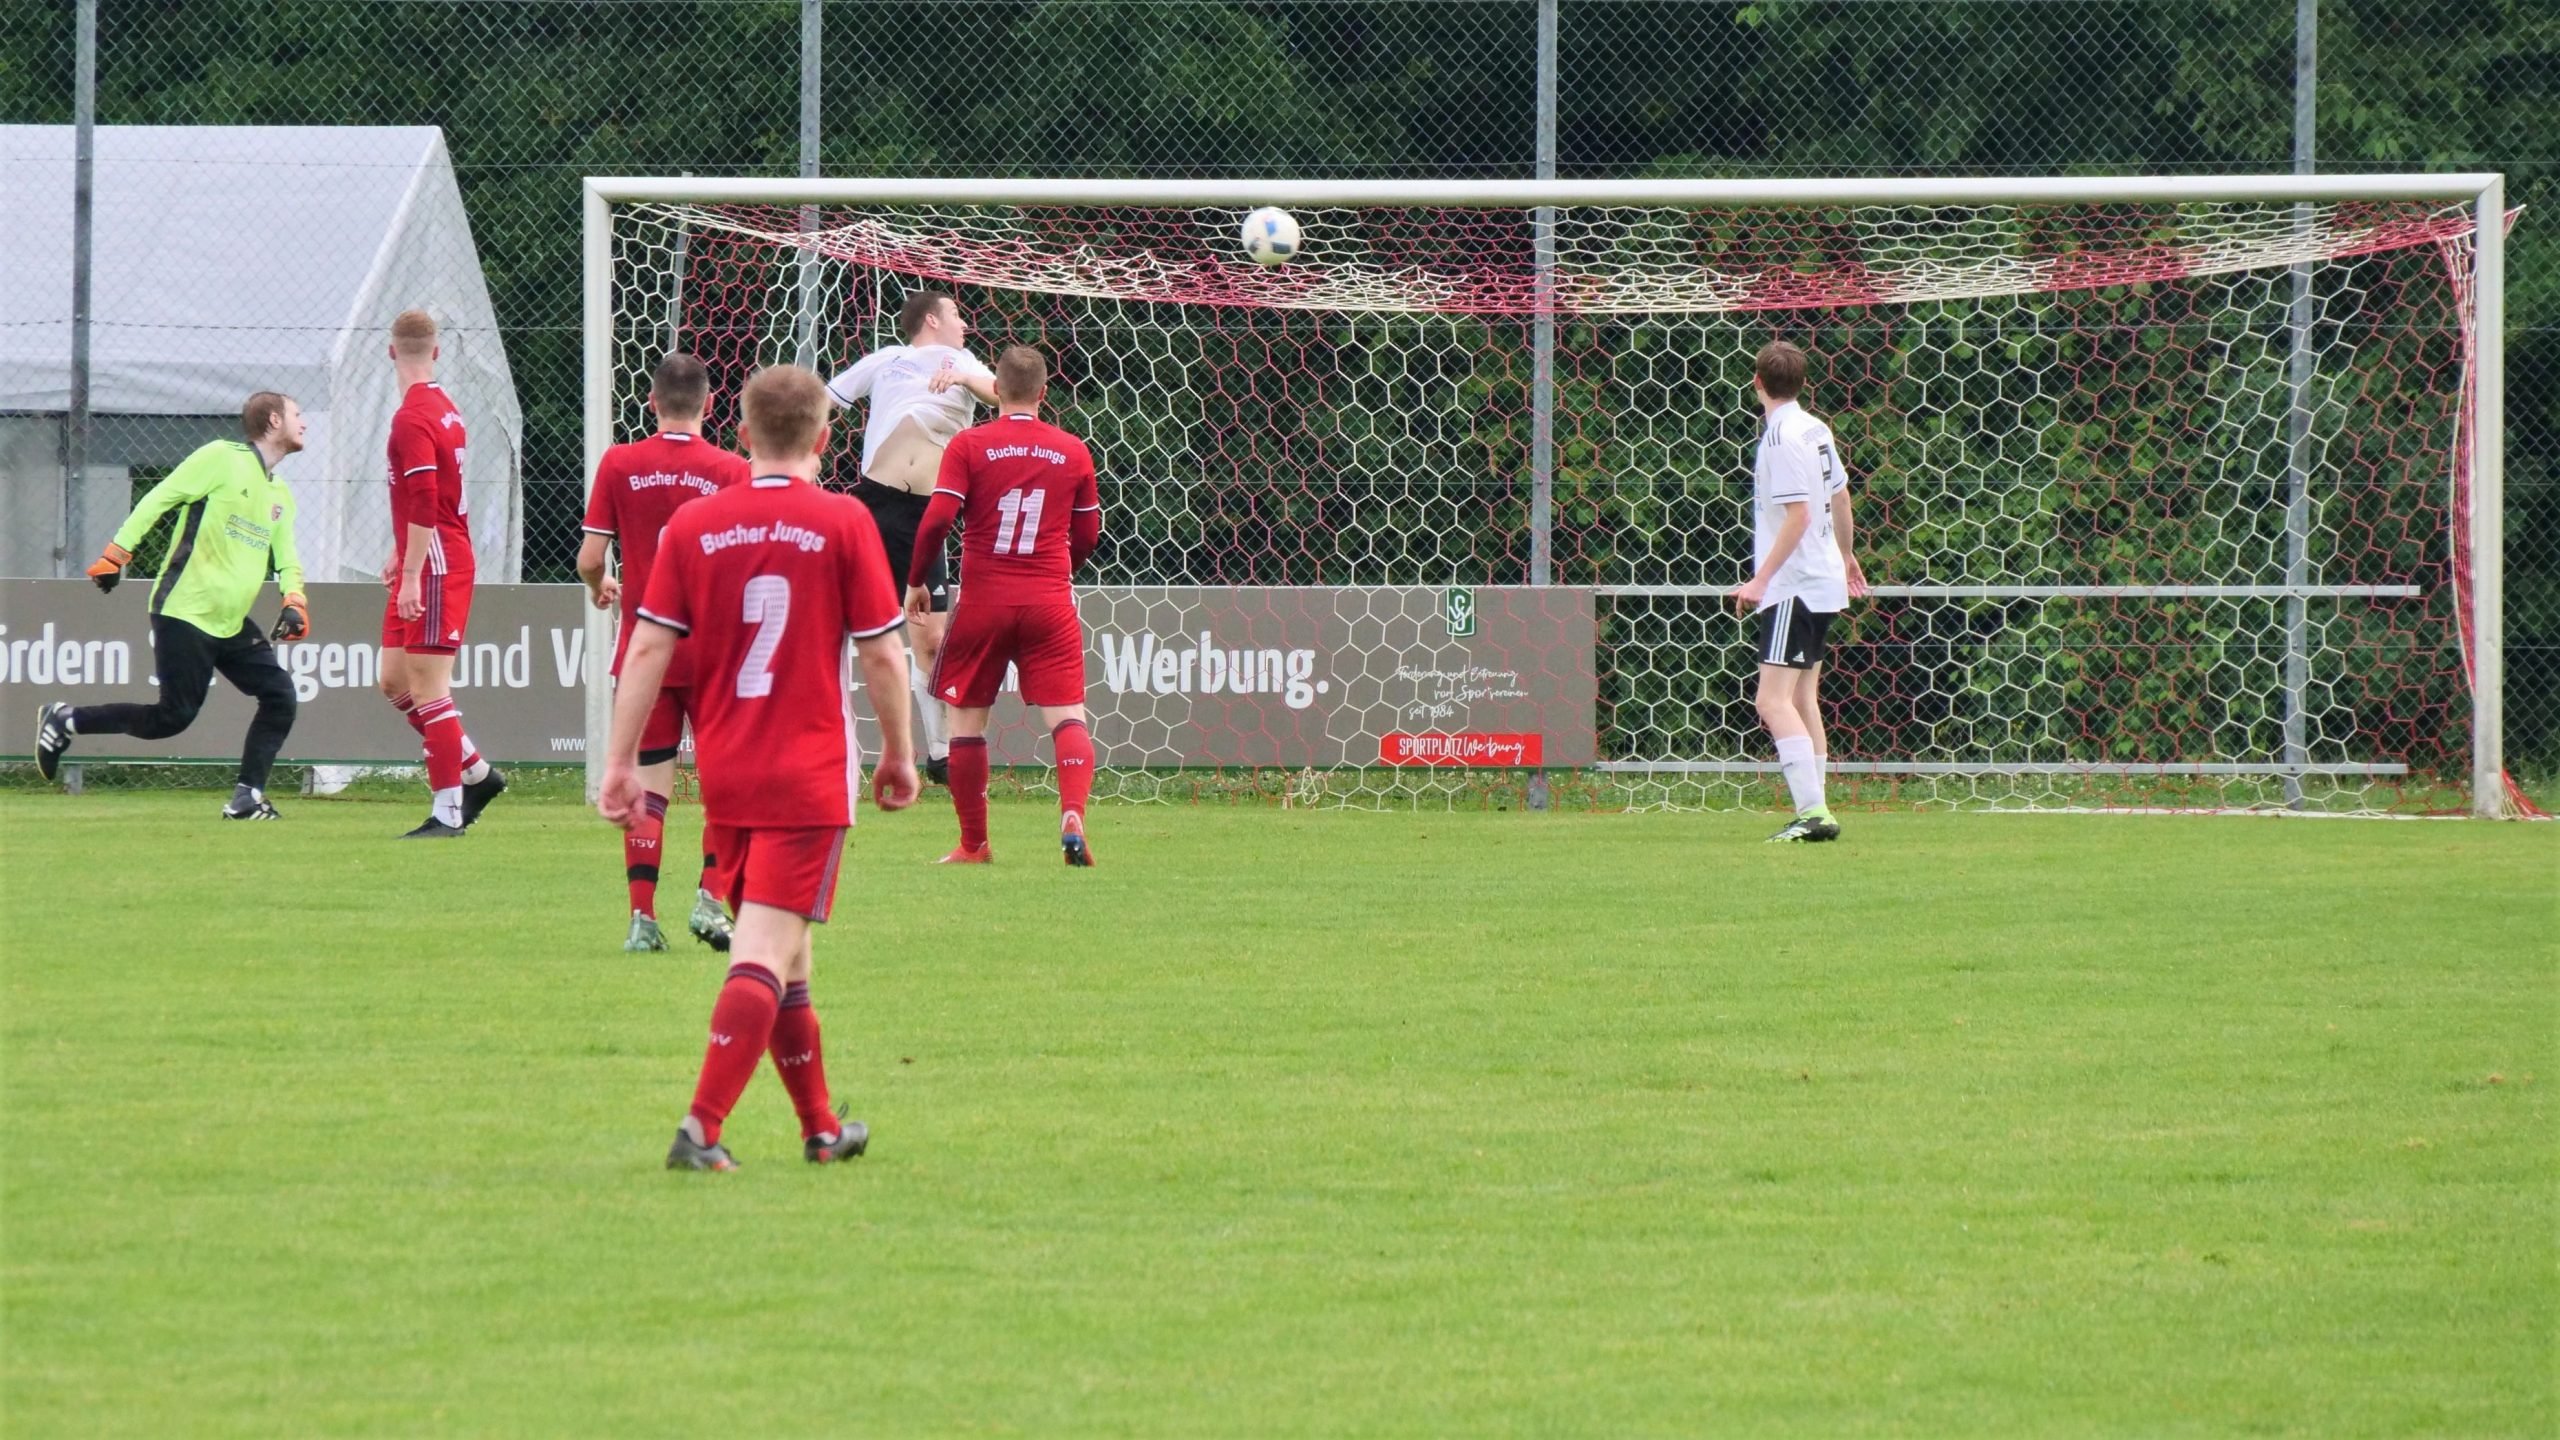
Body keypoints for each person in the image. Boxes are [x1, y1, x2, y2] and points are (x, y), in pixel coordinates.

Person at [597, 363, 920, 1172]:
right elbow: (884, 654)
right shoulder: (843, 520)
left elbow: (647, 646)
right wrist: (900, 753)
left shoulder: (695, 526)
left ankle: (820, 1128)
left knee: (788, 956)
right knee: (765, 952)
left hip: (728, 775)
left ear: (741, 434)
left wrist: (620, 760)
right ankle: (701, 1129)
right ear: (824, 439)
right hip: (806, 774)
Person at [34, 392, 312, 820]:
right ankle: (66, 719)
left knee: (280, 696)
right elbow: (159, 497)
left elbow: (287, 557)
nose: (304, 423)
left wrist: (294, 600)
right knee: (171, 718)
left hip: (230, 623)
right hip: (185, 610)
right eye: (297, 414)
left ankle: (246, 797)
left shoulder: (280, 493)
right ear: (274, 420)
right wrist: (116, 553)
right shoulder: (221, 457)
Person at [576, 353, 753, 953]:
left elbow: (590, 557)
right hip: (712, 653)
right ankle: (709, 900)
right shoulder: (730, 469)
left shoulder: (620, 462)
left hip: (644, 651)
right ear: (710, 405)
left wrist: (598, 584)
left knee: (648, 785)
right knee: (725, 782)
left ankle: (642, 919)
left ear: (651, 402)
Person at [907, 344, 1103, 866]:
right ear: (1043, 393)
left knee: (965, 723)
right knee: (1068, 718)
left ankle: (974, 844)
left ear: (996, 389)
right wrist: (1061, 570)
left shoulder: (970, 445)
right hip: (1048, 602)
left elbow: (937, 519)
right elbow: (1088, 533)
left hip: (984, 601)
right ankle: (1072, 813)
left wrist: (916, 580)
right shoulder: (1073, 450)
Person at [824, 288, 999, 786]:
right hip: (873, 505)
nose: (965, 323)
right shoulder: (888, 359)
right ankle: (828, 748)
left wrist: (962, 377)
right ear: (931, 320)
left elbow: (1004, 393)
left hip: (927, 514)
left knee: (932, 639)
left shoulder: (966, 363)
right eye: (957, 314)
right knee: (834, 625)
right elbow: (826, 399)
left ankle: (941, 756)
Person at [375, 309, 505, 838]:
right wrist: (399, 550)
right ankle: (476, 773)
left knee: (430, 688)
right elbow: (428, 495)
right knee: (393, 680)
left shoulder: (412, 417)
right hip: (423, 554)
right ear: (437, 351)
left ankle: (448, 811)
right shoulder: (445, 408)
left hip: (436, 562)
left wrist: (411, 573)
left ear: (391, 352)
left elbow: (429, 499)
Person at [1732, 340, 1868, 844]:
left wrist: (1761, 579)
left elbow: (1800, 516)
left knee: (1771, 701)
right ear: (1803, 383)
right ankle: (1819, 807)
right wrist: (1846, 555)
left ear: (1757, 383)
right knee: (1802, 695)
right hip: (1822, 577)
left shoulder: (1780, 436)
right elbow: (1840, 495)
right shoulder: (1816, 428)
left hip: (1795, 583)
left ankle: (1812, 812)